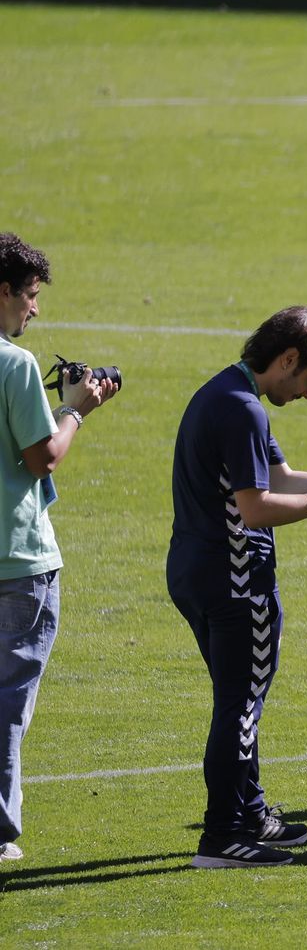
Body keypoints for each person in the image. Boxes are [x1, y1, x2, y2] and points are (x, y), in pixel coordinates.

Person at [168, 306, 307, 868]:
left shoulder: (225, 392)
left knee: (237, 699)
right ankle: (222, 837)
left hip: (196, 570)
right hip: (237, 580)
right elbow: (256, 507)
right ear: (287, 359)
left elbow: (278, 477)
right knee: (240, 706)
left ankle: (249, 813)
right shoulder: (243, 410)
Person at [0, 233, 119, 866]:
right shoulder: (15, 364)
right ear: (4, 292)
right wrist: (74, 410)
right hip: (18, 560)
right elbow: (41, 456)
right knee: (7, 703)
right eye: (30, 295)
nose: (35, 308)